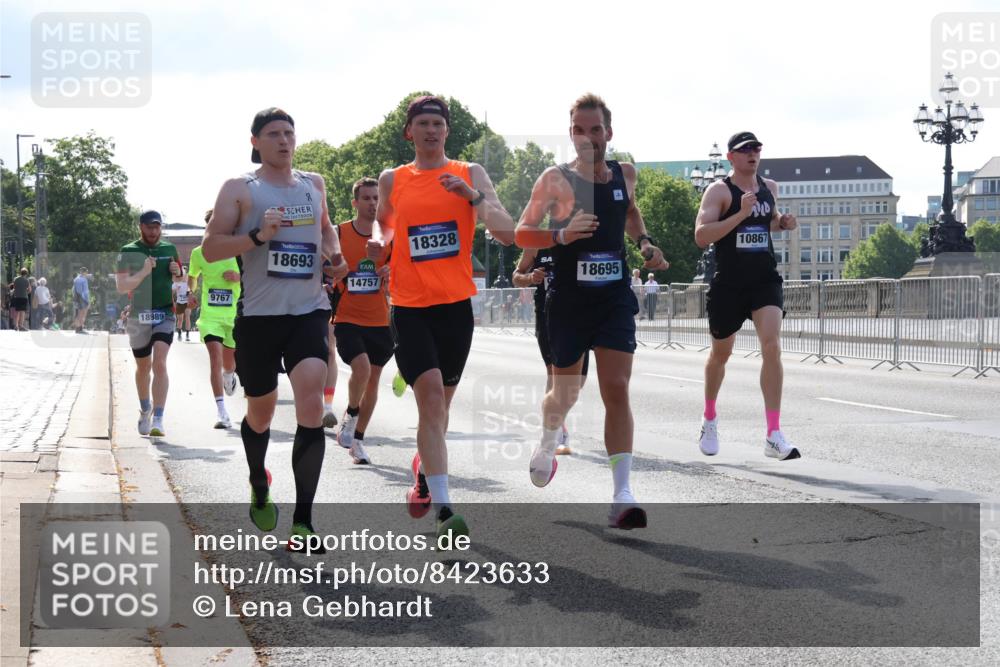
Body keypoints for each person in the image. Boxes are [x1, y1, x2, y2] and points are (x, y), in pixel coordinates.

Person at [515, 93, 669, 530]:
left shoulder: (626, 174)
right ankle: (547, 441)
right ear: (571, 134)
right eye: (579, 130)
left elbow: (631, 213)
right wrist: (561, 235)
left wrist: (644, 244)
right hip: (569, 300)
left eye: (595, 129)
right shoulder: (554, 179)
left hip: (614, 295)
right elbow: (523, 233)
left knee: (617, 387)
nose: (587, 138)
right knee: (565, 392)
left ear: (609, 132)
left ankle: (622, 494)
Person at [367, 95, 514, 543]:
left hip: (454, 308)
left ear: (447, 131)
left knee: (441, 410)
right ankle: (446, 511)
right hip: (410, 307)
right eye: (423, 123)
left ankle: (424, 469)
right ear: (409, 131)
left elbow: (505, 230)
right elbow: (384, 226)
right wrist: (378, 245)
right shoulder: (395, 178)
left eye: (438, 123)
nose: (431, 130)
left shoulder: (470, 174)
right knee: (430, 399)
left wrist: (472, 198)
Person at [202, 107, 348, 551]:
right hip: (258, 319)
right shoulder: (240, 189)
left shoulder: (313, 184)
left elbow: (326, 232)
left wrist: (334, 257)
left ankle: (303, 523)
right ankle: (258, 481)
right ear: (255, 142)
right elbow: (210, 249)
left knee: (309, 401)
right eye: (273, 134)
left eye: (289, 133)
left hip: (308, 311)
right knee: (261, 413)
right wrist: (258, 238)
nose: (284, 141)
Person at [693, 131, 800, 461]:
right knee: (720, 355)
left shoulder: (770, 187)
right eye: (745, 150)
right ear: (731, 157)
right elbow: (701, 236)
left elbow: (767, 223)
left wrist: (782, 222)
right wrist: (738, 214)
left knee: (772, 345)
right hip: (729, 285)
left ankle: (773, 433)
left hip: (764, 280)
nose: (753, 154)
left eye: (756, 148)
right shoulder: (719, 190)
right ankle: (709, 418)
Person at [331, 177, 394, 465]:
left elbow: (403, 265)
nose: (372, 203)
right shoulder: (340, 233)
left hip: (380, 319)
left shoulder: (389, 235)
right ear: (355, 202)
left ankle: (357, 440)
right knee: (361, 368)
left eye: (376, 199)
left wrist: (390, 270)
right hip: (347, 316)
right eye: (366, 198)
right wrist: (337, 270)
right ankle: (352, 412)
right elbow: (325, 265)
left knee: (373, 382)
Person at [512, 248, 590, 455]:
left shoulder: (578, 240)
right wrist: (530, 277)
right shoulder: (537, 242)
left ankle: (555, 420)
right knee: (555, 374)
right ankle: (556, 430)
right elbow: (516, 277)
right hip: (548, 314)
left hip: (578, 314)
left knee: (578, 381)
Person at [115, 210, 182, 437]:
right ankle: (145, 409)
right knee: (143, 366)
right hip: (138, 314)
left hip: (164, 312)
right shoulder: (128, 251)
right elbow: (122, 286)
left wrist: (178, 271)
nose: (154, 231)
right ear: (141, 227)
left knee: (159, 363)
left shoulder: (169, 249)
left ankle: (159, 419)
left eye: (157, 227)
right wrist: (144, 271)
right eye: (149, 227)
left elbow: (180, 278)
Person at [188, 209, 242, 429]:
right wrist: (190, 294)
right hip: (210, 316)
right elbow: (192, 277)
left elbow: (254, 275)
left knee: (228, 363)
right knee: (215, 358)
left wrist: (238, 276)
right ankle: (221, 412)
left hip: (233, 315)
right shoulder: (199, 253)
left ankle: (230, 375)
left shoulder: (239, 250)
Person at [172, 268, 192, 341]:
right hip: (179, 302)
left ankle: (187, 335)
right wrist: (176, 289)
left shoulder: (188, 282)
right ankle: (179, 334)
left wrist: (189, 291)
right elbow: (172, 292)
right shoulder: (177, 282)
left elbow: (192, 290)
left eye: (184, 274)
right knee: (180, 319)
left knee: (187, 317)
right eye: (182, 274)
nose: (183, 275)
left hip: (187, 302)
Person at [72, 267, 91, 334]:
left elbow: (73, 290)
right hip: (83, 298)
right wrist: (88, 300)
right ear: (84, 272)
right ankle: (80, 328)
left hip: (76, 298)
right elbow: (85, 291)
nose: (87, 273)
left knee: (78, 313)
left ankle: (77, 328)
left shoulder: (76, 279)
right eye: (86, 272)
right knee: (83, 314)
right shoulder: (84, 280)